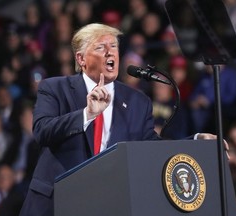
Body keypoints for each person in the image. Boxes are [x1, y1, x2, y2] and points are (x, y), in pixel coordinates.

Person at [19, 23, 224, 216]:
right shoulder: (55, 88)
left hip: (106, 205)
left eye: (114, 46)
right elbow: (42, 131)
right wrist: (86, 115)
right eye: (100, 47)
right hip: (55, 204)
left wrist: (196, 143)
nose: (110, 52)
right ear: (81, 59)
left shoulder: (138, 101)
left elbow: (151, 148)